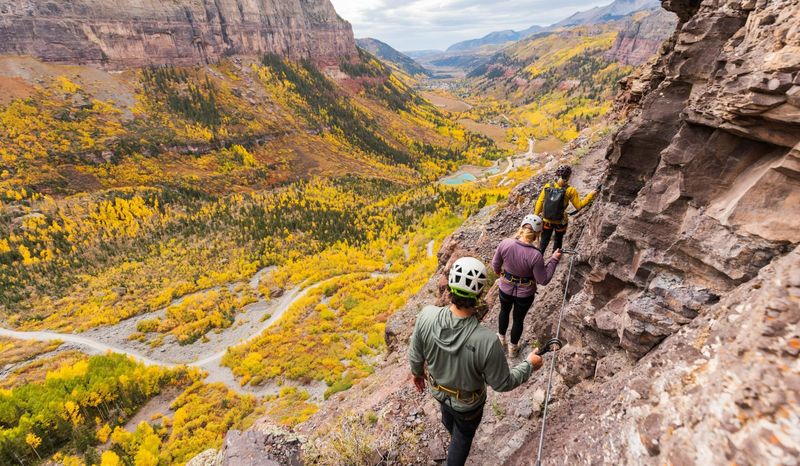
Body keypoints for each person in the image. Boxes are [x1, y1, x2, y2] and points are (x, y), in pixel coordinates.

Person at [408, 257, 547, 466]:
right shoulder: (487, 341)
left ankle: (454, 435)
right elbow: (502, 383)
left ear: (451, 288)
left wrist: (417, 373)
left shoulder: (427, 315)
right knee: (462, 436)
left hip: (437, 391)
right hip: (468, 405)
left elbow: (415, 352)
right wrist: (529, 365)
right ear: (480, 293)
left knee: (448, 418)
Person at [491, 214, 561, 357]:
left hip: (505, 287)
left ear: (522, 228)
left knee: (504, 311)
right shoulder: (536, 255)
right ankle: (512, 349)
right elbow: (543, 280)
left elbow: (495, 265)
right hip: (525, 294)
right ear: (536, 235)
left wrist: (500, 273)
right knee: (518, 319)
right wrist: (553, 260)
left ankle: (501, 339)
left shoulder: (505, 244)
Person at [534, 165, 596, 254]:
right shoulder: (570, 190)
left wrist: (536, 215)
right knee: (558, 241)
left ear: (557, 174)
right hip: (561, 221)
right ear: (569, 176)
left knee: (543, 242)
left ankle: (537, 261)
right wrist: (591, 195)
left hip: (546, 220)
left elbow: (540, 202)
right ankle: (554, 260)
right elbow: (579, 206)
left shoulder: (548, 186)